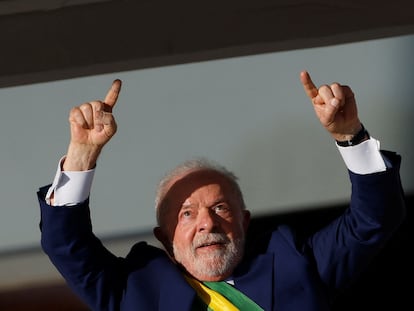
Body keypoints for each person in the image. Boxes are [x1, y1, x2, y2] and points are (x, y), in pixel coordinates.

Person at [37, 71, 406, 311]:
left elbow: (374, 219)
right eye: (186, 213)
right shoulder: (136, 290)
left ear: (244, 222)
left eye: (221, 208)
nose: (206, 223)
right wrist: (82, 155)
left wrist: (349, 135)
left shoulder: (297, 264)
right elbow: (66, 247)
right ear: (164, 238)